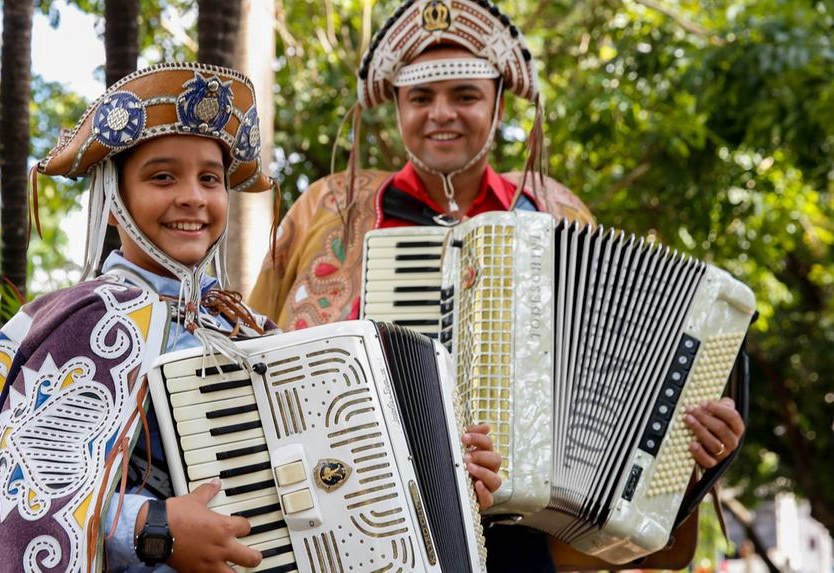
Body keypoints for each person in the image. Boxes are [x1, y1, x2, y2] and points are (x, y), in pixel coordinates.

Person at [248, 0, 746, 570]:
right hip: (370, 523)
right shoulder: (332, 208)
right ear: (397, 108)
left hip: (529, 538)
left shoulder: (554, 210)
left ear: (498, 103)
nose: (442, 115)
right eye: (420, 97)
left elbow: (618, 382)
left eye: (465, 95)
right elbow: (266, 365)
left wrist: (686, 446)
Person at [0, 62, 279, 573]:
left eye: (210, 179)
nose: (193, 196)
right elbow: (27, 495)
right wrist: (152, 526)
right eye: (163, 176)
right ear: (110, 202)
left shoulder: (250, 331)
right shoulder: (81, 321)